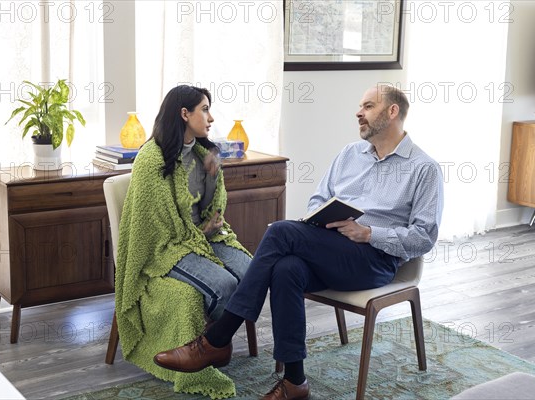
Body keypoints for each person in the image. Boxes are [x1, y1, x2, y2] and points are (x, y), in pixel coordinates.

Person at [153, 85, 444, 400]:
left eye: (368, 106)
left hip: (373, 260)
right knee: (287, 268)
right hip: (331, 248)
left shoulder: (424, 168)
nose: (358, 112)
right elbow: (319, 198)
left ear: (392, 112)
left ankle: (218, 338)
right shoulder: (349, 154)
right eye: (360, 106)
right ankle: (295, 382)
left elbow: (424, 237)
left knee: (279, 232)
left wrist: (370, 233)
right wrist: (319, 220)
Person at [115, 85, 252, 398]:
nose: (211, 117)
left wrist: (214, 180)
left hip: (204, 237)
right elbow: (155, 229)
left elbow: (210, 206)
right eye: (204, 109)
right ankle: (214, 347)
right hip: (168, 247)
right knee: (224, 286)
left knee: (253, 273)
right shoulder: (152, 160)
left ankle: (214, 343)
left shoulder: (204, 155)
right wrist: (199, 233)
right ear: (184, 113)